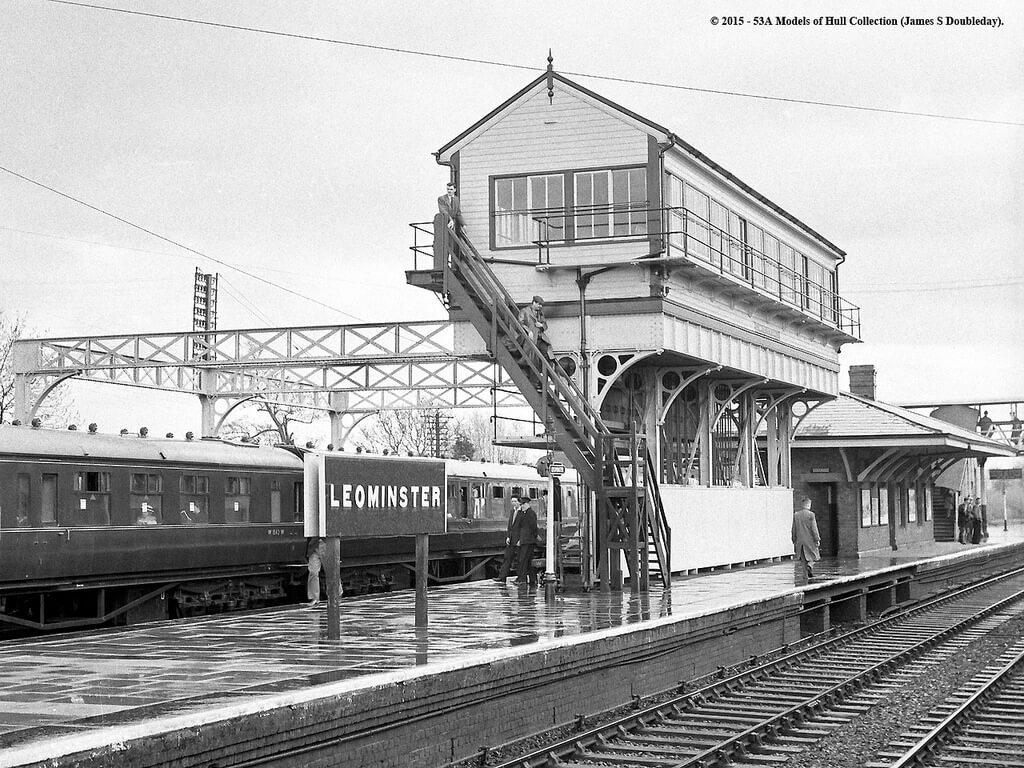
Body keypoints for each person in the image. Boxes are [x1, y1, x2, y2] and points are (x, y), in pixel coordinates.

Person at [433, 181, 464, 270]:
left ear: (454, 190)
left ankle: (453, 265)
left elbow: (458, 213)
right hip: (443, 224)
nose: (449, 191)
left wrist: (463, 224)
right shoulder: (441, 199)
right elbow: (443, 210)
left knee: (452, 244)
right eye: (448, 189)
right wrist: (450, 220)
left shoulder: (457, 200)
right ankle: (444, 265)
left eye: (451, 189)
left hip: (452, 225)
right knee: (443, 244)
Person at [791, 495, 820, 580]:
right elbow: (814, 529)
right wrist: (817, 539)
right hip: (810, 541)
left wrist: (793, 539)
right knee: (814, 556)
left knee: (803, 560)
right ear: (808, 505)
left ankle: (805, 577)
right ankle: (810, 566)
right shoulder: (811, 515)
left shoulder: (796, 515)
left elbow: (793, 529)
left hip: (800, 542)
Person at [494, 497, 522, 584]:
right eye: (512, 501)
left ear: (519, 502)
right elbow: (510, 526)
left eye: (515, 501)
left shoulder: (522, 512)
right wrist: (508, 537)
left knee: (520, 560)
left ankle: (520, 578)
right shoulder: (512, 511)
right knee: (507, 558)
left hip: (519, 540)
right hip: (511, 539)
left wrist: (521, 539)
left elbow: (523, 527)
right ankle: (502, 577)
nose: (513, 503)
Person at [514, 495, 540, 585]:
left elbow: (533, 527)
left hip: (528, 541)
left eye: (522, 504)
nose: (521, 506)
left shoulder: (530, 513)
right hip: (526, 540)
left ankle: (523, 579)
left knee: (524, 560)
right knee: (527, 560)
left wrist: (535, 536)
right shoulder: (524, 513)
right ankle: (531, 579)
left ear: (527, 504)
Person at [518, 295, 553, 361]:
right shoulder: (525, 311)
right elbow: (520, 323)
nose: (540, 306)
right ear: (534, 302)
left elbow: (545, 326)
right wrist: (528, 331)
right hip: (530, 338)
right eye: (539, 304)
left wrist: (541, 325)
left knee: (547, 354)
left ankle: (544, 370)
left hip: (540, 338)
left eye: (541, 305)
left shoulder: (540, 313)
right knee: (532, 357)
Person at [306, 537, 327, 607]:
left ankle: (337, 593)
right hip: (314, 546)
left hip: (326, 543)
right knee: (313, 572)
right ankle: (314, 598)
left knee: (331, 571)